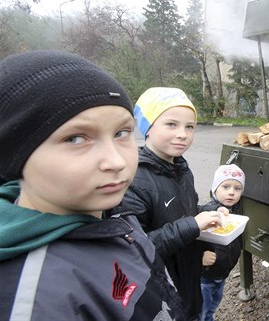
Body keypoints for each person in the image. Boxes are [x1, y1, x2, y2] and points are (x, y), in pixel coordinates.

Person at [0, 50, 189, 320]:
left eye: (122, 133)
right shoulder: (33, 300)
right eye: (76, 139)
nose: (116, 161)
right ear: (14, 155)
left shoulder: (115, 212)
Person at [107, 87, 225, 320]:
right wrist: (193, 225)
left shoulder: (182, 168)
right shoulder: (133, 180)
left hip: (189, 280)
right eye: (171, 124)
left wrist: (210, 211)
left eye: (189, 127)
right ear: (147, 128)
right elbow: (134, 248)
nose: (183, 134)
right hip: (160, 295)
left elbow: (185, 213)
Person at [199, 164, 246, 321]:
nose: (231, 192)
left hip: (222, 274)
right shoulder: (206, 211)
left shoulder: (236, 211)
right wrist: (201, 255)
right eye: (225, 186)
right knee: (201, 310)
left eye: (237, 188)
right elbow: (191, 234)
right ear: (214, 190)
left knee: (213, 306)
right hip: (206, 276)